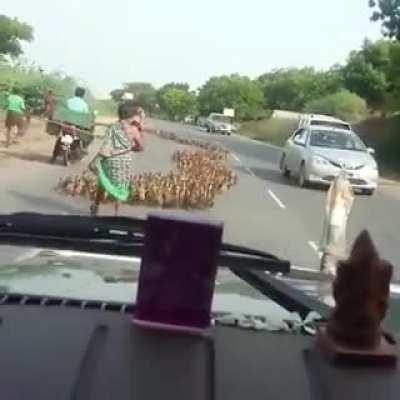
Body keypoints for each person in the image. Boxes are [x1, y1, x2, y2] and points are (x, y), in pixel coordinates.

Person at [90, 101, 144, 217]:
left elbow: (106, 144)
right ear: (132, 116)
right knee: (120, 188)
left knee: (103, 183)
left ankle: (96, 206)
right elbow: (140, 147)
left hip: (108, 160)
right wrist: (132, 148)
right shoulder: (134, 129)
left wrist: (98, 158)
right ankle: (115, 213)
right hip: (123, 163)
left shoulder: (113, 126)